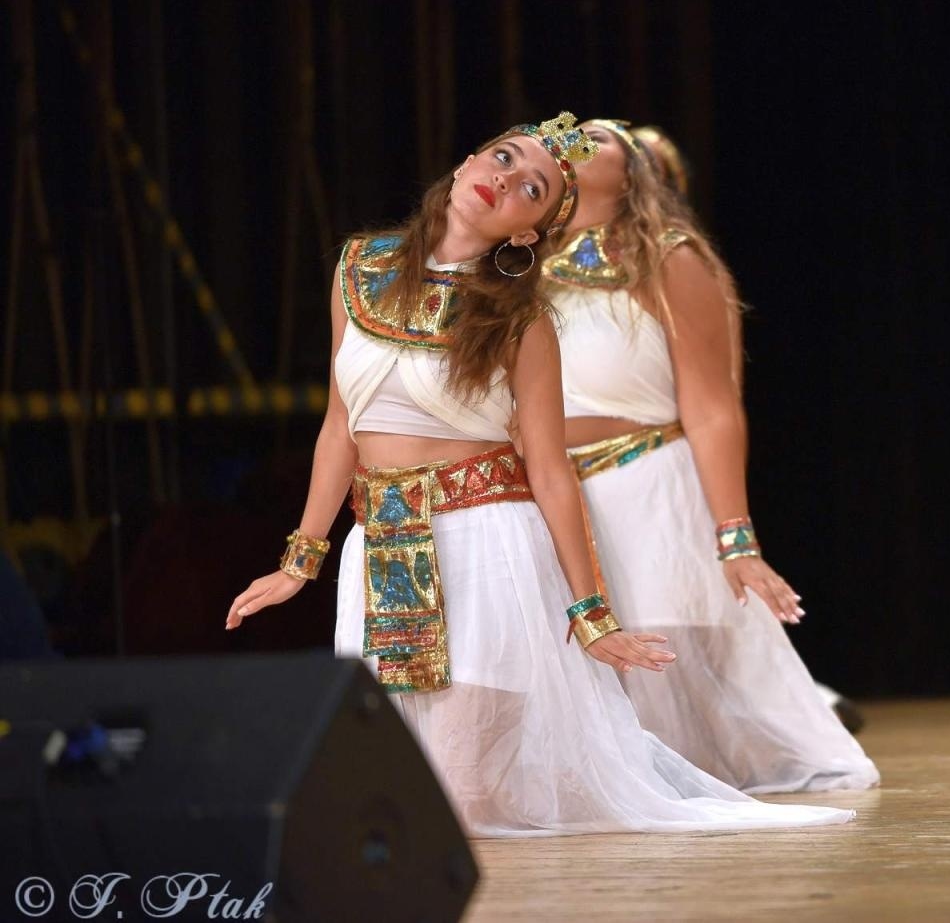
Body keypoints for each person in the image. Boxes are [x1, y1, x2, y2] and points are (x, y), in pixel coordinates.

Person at [224, 114, 850, 836]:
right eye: (503, 159)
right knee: (400, 794)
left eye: (531, 189)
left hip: (486, 550)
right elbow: (341, 425)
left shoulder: (522, 324)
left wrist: (591, 615)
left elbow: (550, 473)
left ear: (528, 233)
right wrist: (300, 561)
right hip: (382, 548)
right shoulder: (359, 269)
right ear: (466, 163)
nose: (505, 181)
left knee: (459, 805)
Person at [537, 118, 879, 791]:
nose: (576, 139)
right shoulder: (518, 269)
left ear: (632, 176)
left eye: (598, 139)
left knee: (670, 665)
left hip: (645, 483)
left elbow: (714, 407)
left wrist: (735, 539)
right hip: (552, 494)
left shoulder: (668, 257)